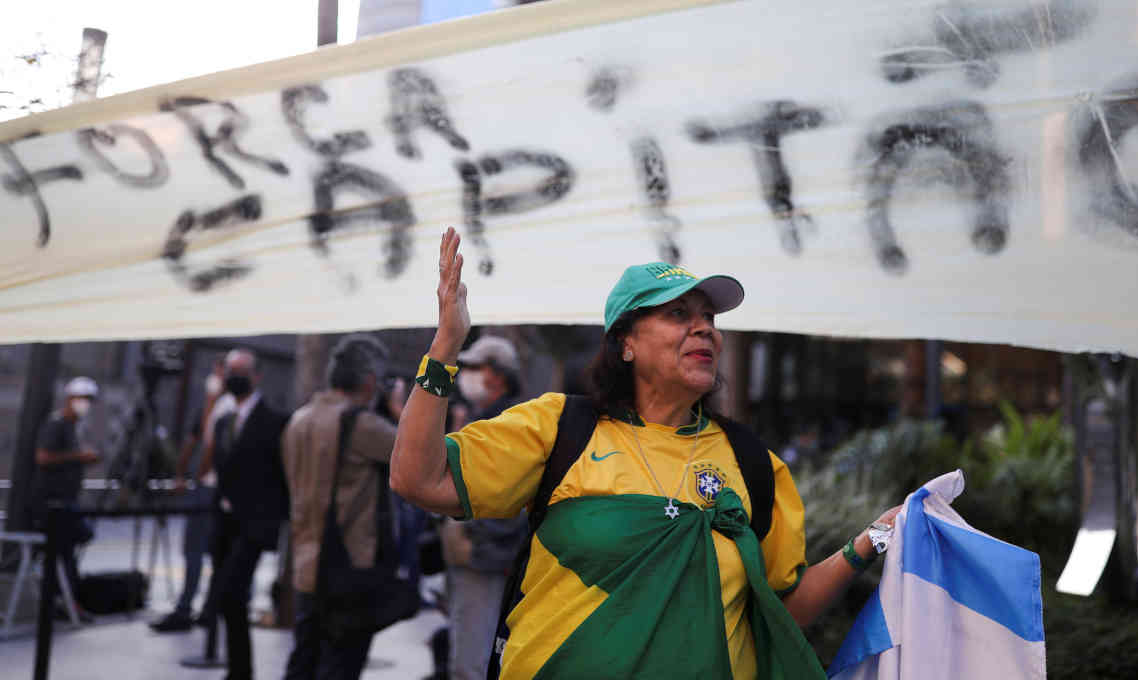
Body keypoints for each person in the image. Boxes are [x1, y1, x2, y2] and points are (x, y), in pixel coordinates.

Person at [391, 228, 901, 679]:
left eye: (708, 318)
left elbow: (780, 610)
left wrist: (876, 537)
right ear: (626, 344)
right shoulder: (559, 427)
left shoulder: (752, 463)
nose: (705, 328)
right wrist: (446, 346)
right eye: (679, 313)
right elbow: (418, 479)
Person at [281, 334, 406, 680]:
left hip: (307, 563)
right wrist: (398, 410)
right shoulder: (360, 424)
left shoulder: (299, 419)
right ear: (369, 380)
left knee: (303, 660)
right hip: (349, 567)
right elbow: (416, 455)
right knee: (341, 665)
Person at [438, 335, 530, 680]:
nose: (468, 374)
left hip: (486, 557)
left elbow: (511, 498)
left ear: (498, 375)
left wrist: (472, 532)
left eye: (476, 367)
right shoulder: (486, 416)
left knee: (471, 661)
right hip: (479, 555)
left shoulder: (505, 421)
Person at [207, 348, 289, 680]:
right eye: (230, 370)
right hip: (225, 522)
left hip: (254, 524)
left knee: (230, 591)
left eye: (241, 370)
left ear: (256, 376)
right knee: (230, 599)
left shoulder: (275, 421)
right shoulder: (223, 420)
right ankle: (239, 670)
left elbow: (283, 474)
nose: (234, 376)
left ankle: (240, 671)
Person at [151, 357, 229, 632]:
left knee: (202, 549)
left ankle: (193, 607)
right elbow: (193, 439)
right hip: (201, 485)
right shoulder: (210, 406)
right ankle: (195, 606)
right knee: (194, 549)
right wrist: (180, 473)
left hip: (211, 487)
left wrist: (195, 476)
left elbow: (210, 442)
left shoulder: (226, 406)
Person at [32, 376, 101, 619]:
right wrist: (78, 457)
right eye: (82, 399)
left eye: (89, 400)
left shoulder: (74, 428)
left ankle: (61, 600)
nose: (85, 405)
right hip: (52, 503)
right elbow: (43, 458)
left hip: (67, 500)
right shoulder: (57, 424)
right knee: (63, 550)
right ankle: (64, 601)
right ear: (69, 399)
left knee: (69, 548)